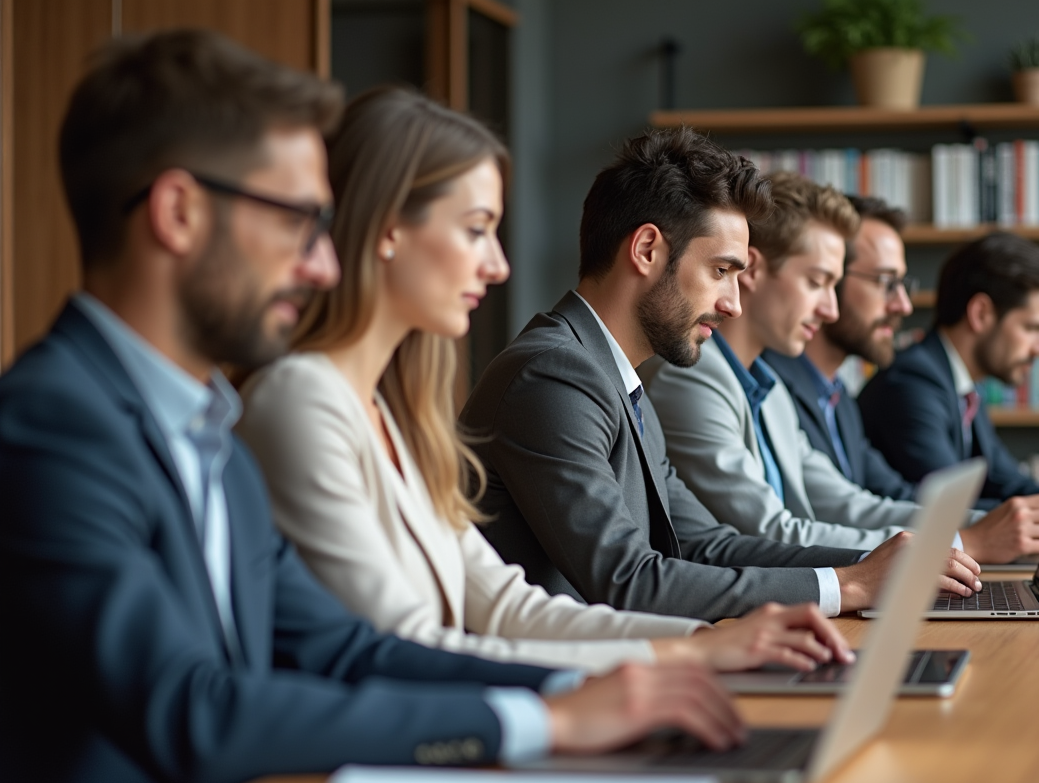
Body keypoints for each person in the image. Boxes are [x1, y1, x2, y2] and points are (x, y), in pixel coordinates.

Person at [0, 32, 754, 783]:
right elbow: (195, 710)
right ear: (179, 213)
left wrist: (592, 690)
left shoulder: (210, 434)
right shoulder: (52, 426)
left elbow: (349, 651)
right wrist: (545, 720)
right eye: (296, 220)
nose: (323, 262)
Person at [237, 87, 851, 676]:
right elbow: (408, 647)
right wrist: (682, 657)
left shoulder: (400, 416)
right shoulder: (312, 400)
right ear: (390, 230)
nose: (498, 265)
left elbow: (511, 608)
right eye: (476, 229)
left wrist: (704, 644)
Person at [459, 128, 980, 622]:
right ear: (646, 250)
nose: (733, 303)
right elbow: (626, 580)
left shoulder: (616, 378)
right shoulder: (554, 374)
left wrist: (875, 564)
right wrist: (849, 586)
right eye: (721, 271)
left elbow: (706, 545)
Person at [643, 174, 1039, 568]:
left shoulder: (771, 390)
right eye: (816, 282)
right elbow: (771, 533)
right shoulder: (692, 377)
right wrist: (961, 542)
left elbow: (851, 505)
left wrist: (988, 528)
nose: (830, 310)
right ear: (753, 271)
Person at [759, 194, 1039, 563]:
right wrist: (970, 539)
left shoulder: (839, 398)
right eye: (885, 282)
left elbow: (880, 500)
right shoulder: (773, 387)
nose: (903, 305)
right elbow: (784, 532)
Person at [856, 231, 1039, 538]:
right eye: (1033, 328)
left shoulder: (961, 387)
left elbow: (1008, 482)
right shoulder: (911, 383)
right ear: (981, 314)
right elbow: (948, 507)